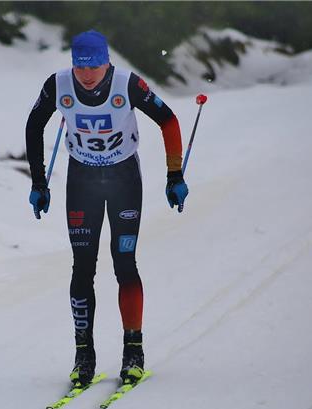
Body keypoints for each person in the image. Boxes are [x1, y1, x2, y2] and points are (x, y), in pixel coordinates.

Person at [25, 30, 189, 387]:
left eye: (94, 66)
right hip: (82, 181)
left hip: (123, 180)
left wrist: (174, 175)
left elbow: (169, 120)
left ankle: (134, 352)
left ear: (107, 61)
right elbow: (34, 125)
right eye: (80, 66)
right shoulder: (58, 84)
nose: (86, 74)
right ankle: (84, 355)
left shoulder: (128, 84)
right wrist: (39, 182)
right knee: (82, 269)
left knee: (124, 264)